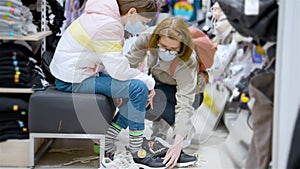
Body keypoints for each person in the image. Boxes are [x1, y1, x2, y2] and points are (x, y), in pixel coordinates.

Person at [49, 0, 167, 168]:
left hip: (76, 74)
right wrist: (149, 82)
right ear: (132, 12)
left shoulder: (101, 17)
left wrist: (124, 84)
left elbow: (109, 63)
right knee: (139, 87)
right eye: (143, 22)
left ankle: (110, 137)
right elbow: (119, 70)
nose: (141, 28)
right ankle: (137, 152)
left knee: (135, 87)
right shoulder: (109, 25)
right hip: (72, 80)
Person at [125, 17, 206, 168]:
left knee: (161, 99)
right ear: (156, 40)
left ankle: (184, 129)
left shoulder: (188, 61)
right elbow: (127, 64)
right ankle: (160, 128)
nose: (167, 51)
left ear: (181, 47)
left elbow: (185, 102)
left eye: (173, 49)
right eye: (163, 46)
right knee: (145, 94)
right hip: (162, 85)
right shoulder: (148, 38)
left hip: (192, 95)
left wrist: (178, 141)